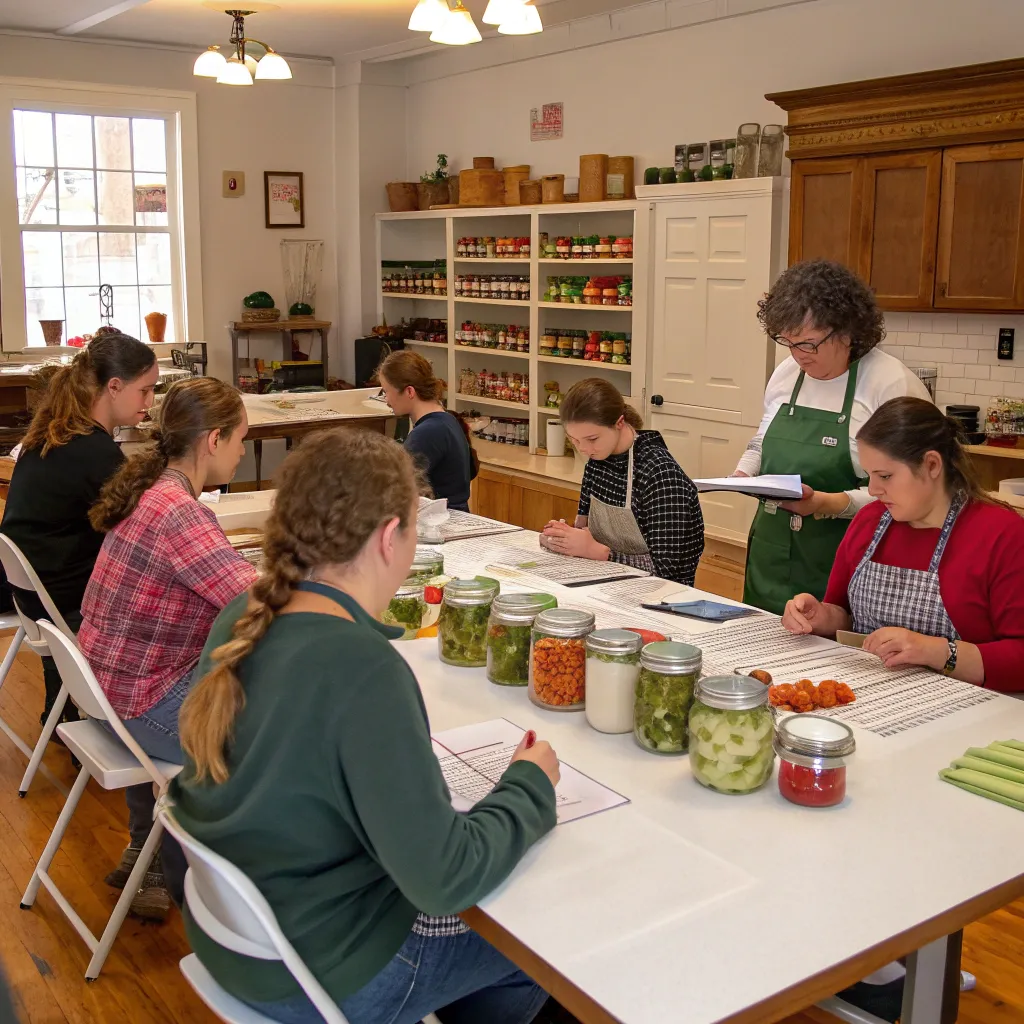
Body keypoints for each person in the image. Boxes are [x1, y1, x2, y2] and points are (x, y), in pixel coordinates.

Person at [168, 428, 559, 1024]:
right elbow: (444, 879)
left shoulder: (242, 617)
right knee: (539, 938)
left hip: (238, 942)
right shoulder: (362, 668)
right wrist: (528, 787)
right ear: (387, 538)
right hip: (325, 971)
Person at [80, 376, 257, 918]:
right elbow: (257, 604)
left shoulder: (153, 491)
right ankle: (225, 893)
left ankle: (149, 849)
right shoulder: (180, 512)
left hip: (102, 688)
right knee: (271, 745)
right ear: (213, 440)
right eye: (241, 439)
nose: (243, 451)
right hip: (135, 703)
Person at [782, 397, 1024, 691]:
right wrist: (820, 616)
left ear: (932, 464)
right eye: (869, 476)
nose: (873, 490)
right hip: (870, 693)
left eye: (885, 476)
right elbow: (843, 614)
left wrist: (936, 651)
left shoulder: (1003, 535)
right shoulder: (869, 522)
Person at [737, 260, 930, 615]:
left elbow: (913, 492)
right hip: (772, 551)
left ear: (846, 330)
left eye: (809, 343)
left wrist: (828, 504)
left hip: (851, 556)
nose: (798, 356)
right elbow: (761, 441)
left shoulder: (890, 384)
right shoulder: (786, 375)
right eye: (788, 342)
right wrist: (741, 474)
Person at [0, 333, 157, 731]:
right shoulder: (92, 450)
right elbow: (143, 530)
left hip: (34, 597)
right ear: (114, 386)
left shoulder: (56, 431)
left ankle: (64, 706)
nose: (150, 402)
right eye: (146, 390)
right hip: (65, 602)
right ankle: (143, 716)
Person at [540, 378, 704, 585]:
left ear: (619, 423)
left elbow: (666, 570)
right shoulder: (597, 460)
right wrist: (562, 538)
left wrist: (599, 553)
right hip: (604, 584)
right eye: (574, 440)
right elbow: (583, 528)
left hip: (660, 598)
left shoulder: (661, 474)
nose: (583, 449)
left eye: (592, 439)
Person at [378, 350, 477, 512]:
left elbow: (395, 489)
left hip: (442, 524)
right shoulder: (447, 420)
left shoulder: (428, 432)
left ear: (410, 392)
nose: (386, 400)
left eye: (387, 392)